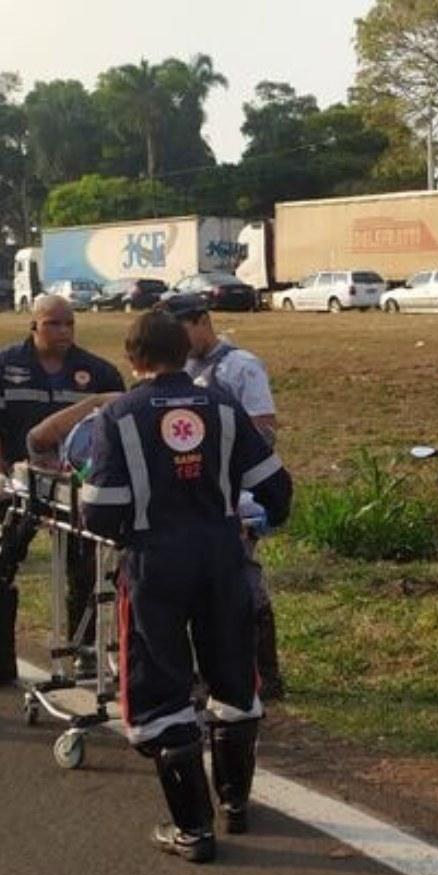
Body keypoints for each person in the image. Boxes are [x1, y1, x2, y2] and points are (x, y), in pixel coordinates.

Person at [81, 304, 292, 864]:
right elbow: (275, 487)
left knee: (161, 686)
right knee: (232, 676)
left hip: (157, 565)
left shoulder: (119, 416)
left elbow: (100, 510)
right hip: (223, 558)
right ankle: (235, 804)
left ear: (133, 358)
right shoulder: (223, 405)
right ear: (184, 350)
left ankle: (194, 832)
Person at [0, 295, 126, 691]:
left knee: (85, 569)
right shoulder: (2, 366)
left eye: (69, 324)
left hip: (76, 487)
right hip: (20, 485)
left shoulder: (99, 372)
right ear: (34, 325)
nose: (64, 332)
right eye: (53, 324)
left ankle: (84, 650)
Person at [178, 298, 286, 699]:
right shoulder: (183, 368)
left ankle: (266, 673)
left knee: (244, 580)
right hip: (196, 496)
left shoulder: (241, 366)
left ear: (203, 322)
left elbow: (265, 432)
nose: (179, 341)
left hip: (237, 493)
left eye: (183, 329)